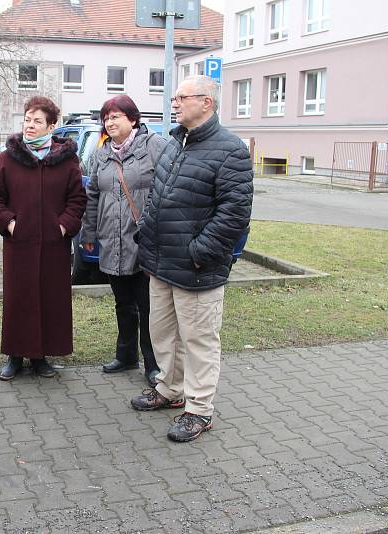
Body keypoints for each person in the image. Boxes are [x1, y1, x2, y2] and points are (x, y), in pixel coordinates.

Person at [130, 75, 253, 442]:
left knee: (199, 340)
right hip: (160, 260)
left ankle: (199, 409)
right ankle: (169, 389)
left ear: (207, 102)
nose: (175, 103)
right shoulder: (175, 143)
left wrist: (201, 253)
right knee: (163, 333)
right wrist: (145, 235)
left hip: (198, 267)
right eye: (175, 97)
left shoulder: (231, 150)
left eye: (183, 97)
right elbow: (157, 195)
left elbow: (235, 213)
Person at [0, 96, 86, 380]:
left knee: (49, 300)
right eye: (27, 120)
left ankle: (41, 357)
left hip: (54, 246)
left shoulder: (66, 161)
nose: (30, 125)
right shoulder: (8, 158)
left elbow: (77, 200)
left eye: (37, 121)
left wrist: (63, 227)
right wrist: (11, 224)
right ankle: (15, 356)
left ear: (51, 126)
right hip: (19, 245)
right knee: (19, 300)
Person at [80, 95, 166, 387]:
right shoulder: (101, 153)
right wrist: (89, 233)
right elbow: (92, 196)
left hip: (145, 240)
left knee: (148, 305)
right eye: (106, 117)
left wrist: (155, 227)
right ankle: (126, 355)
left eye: (116, 116)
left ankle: (153, 364)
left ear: (133, 119)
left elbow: (167, 189)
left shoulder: (154, 146)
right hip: (111, 239)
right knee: (123, 303)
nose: (110, 122)